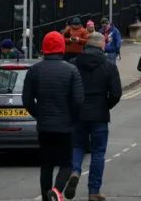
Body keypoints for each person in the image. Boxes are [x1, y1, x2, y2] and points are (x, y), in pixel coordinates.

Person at [23, 31, 84, 201]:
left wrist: (39, 114)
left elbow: (26, 100)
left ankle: (46, 197)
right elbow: (78, 101)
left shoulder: (34, 70)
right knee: (66, 163)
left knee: (47, 165)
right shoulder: (72, 70)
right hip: (65, 125)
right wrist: (72, 118)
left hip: (44, 125)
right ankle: (56, 192)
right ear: (62, 48)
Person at [66, 32, 122, 201]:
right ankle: (93, 191)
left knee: (77, 146)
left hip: (79, 113)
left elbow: (68, 90)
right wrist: (106, 105)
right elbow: (116, 93)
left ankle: (75, 171)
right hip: (99, 114)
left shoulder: (74, 64)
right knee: (98, 152)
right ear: (101, 45)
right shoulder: (108, 65)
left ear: (86, 45)